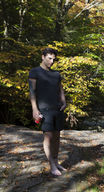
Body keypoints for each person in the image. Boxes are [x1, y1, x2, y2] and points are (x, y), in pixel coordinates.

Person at [28, 48, 67, 176]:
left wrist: (64, 101)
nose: (51, 61)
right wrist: (34, 109)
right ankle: (51, 165)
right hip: (44, 109)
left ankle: (56, 162)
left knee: (57, 137)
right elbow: (32, 92)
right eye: (49, 58)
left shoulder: (56, 74)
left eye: (53, 59)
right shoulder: (35, 72)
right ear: (42, 57)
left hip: (57, 108)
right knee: (49, 137)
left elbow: (60, 89)